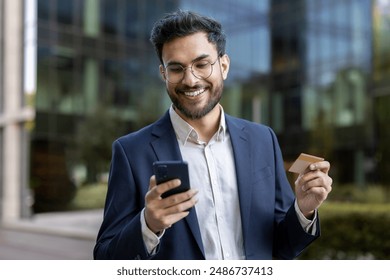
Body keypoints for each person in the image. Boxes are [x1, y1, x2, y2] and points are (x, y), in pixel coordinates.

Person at [93, 10, 333, 260]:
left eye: (201, 64)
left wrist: (302, 211)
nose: (190, 80)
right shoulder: (131, 152)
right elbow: (105, 257)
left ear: (224, 66)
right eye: (176, 69)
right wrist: (148, 224)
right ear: (164, 74)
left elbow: (280, 247)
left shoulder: (262, 140)